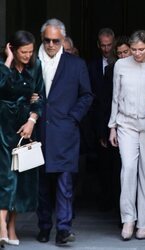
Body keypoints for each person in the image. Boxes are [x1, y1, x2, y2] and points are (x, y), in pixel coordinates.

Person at [36, 18, 93, 245]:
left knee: (65, 183)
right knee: (41, 184)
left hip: (65, 131)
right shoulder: (32, 61)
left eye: (55, 41)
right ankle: (43, 226)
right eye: (47, 40)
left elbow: (87, 95)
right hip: (38, 130)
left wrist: (73, 118)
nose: (51, 44)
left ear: (63, 40)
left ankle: (63, 229)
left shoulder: (75, 64)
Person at [108, 30, 145, 240]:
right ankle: (128, 219)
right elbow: (115, 96)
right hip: (126, 122)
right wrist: (112, 125)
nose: (137, 54)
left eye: (141, 49)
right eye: (133, 50)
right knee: (128, 169)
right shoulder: (121, 65)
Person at [0, 30, 44, 247]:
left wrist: (32, 120)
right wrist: (7, 60)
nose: (28, 55)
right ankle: (1, 227)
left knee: (21, 178)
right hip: (2, 126)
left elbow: (40, 96)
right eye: (23, 52)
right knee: (5, 177)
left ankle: (11, 226)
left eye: (30, 51)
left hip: (24, 127)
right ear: (13, 49)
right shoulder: (3, 64)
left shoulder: (35, 66)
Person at [97, 36, 131, 212]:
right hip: (117, 125)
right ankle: (121, 213)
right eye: (120, 53)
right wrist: (105, 130)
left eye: (126, 52)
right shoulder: (111, 70)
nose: (124, 56)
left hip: (141, 125)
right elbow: (105, 101)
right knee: (120, 169)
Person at [87, 27, 116, 211]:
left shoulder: (122, 62)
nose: (106, 49)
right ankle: (106, 201)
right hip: (100, 122)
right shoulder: (92, 67)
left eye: (109, 45)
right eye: (103, 45)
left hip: (121, 122)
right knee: (104, 166)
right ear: (98, 45)